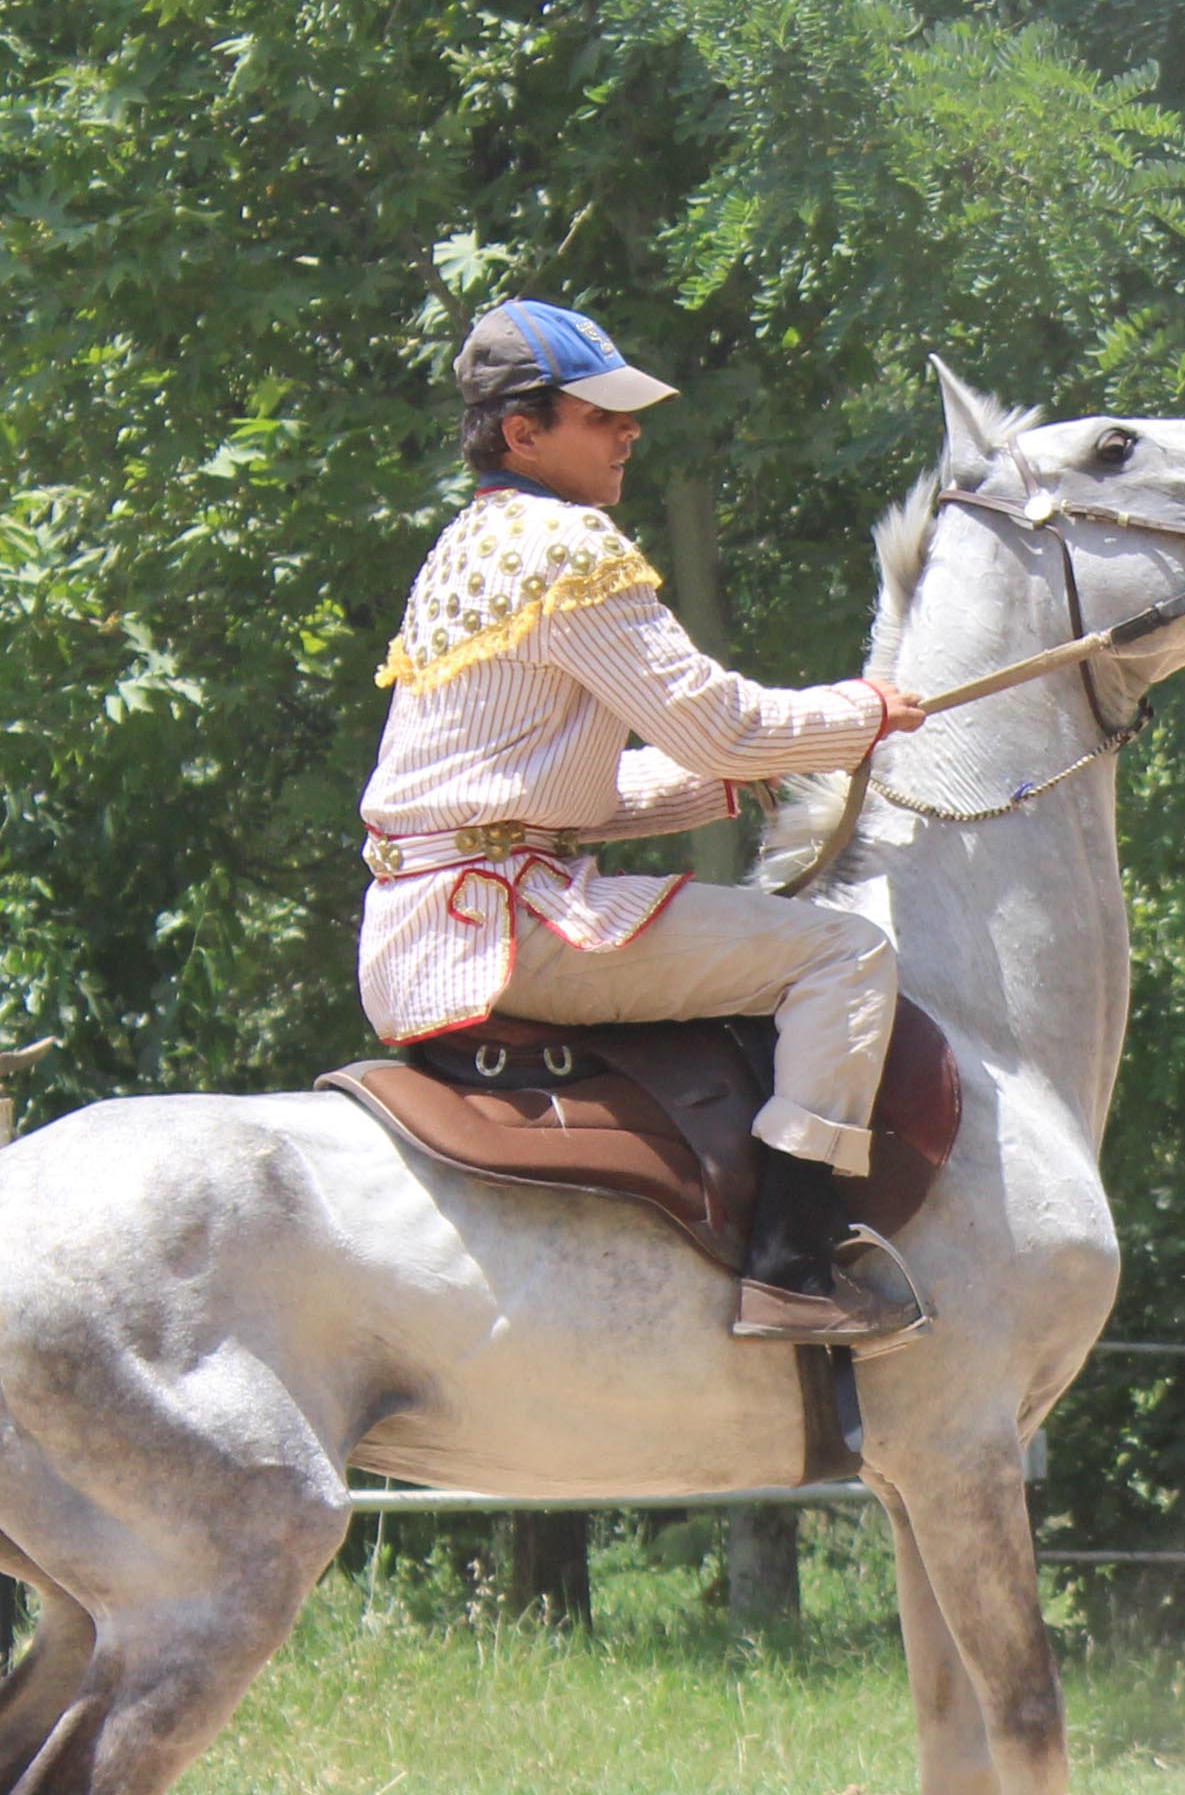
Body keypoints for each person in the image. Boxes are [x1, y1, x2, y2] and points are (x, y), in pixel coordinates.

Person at [357, 298, 931, 1342]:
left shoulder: (468, 546)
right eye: (600, 416)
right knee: (842, 957)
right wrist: (863, 715)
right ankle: (795, 1268)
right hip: (506, 926)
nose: (631, 431)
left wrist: (713, 789)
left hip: (430, 919)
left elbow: (528, 801)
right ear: (522, 433)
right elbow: (724, 725)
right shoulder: (570, 547)